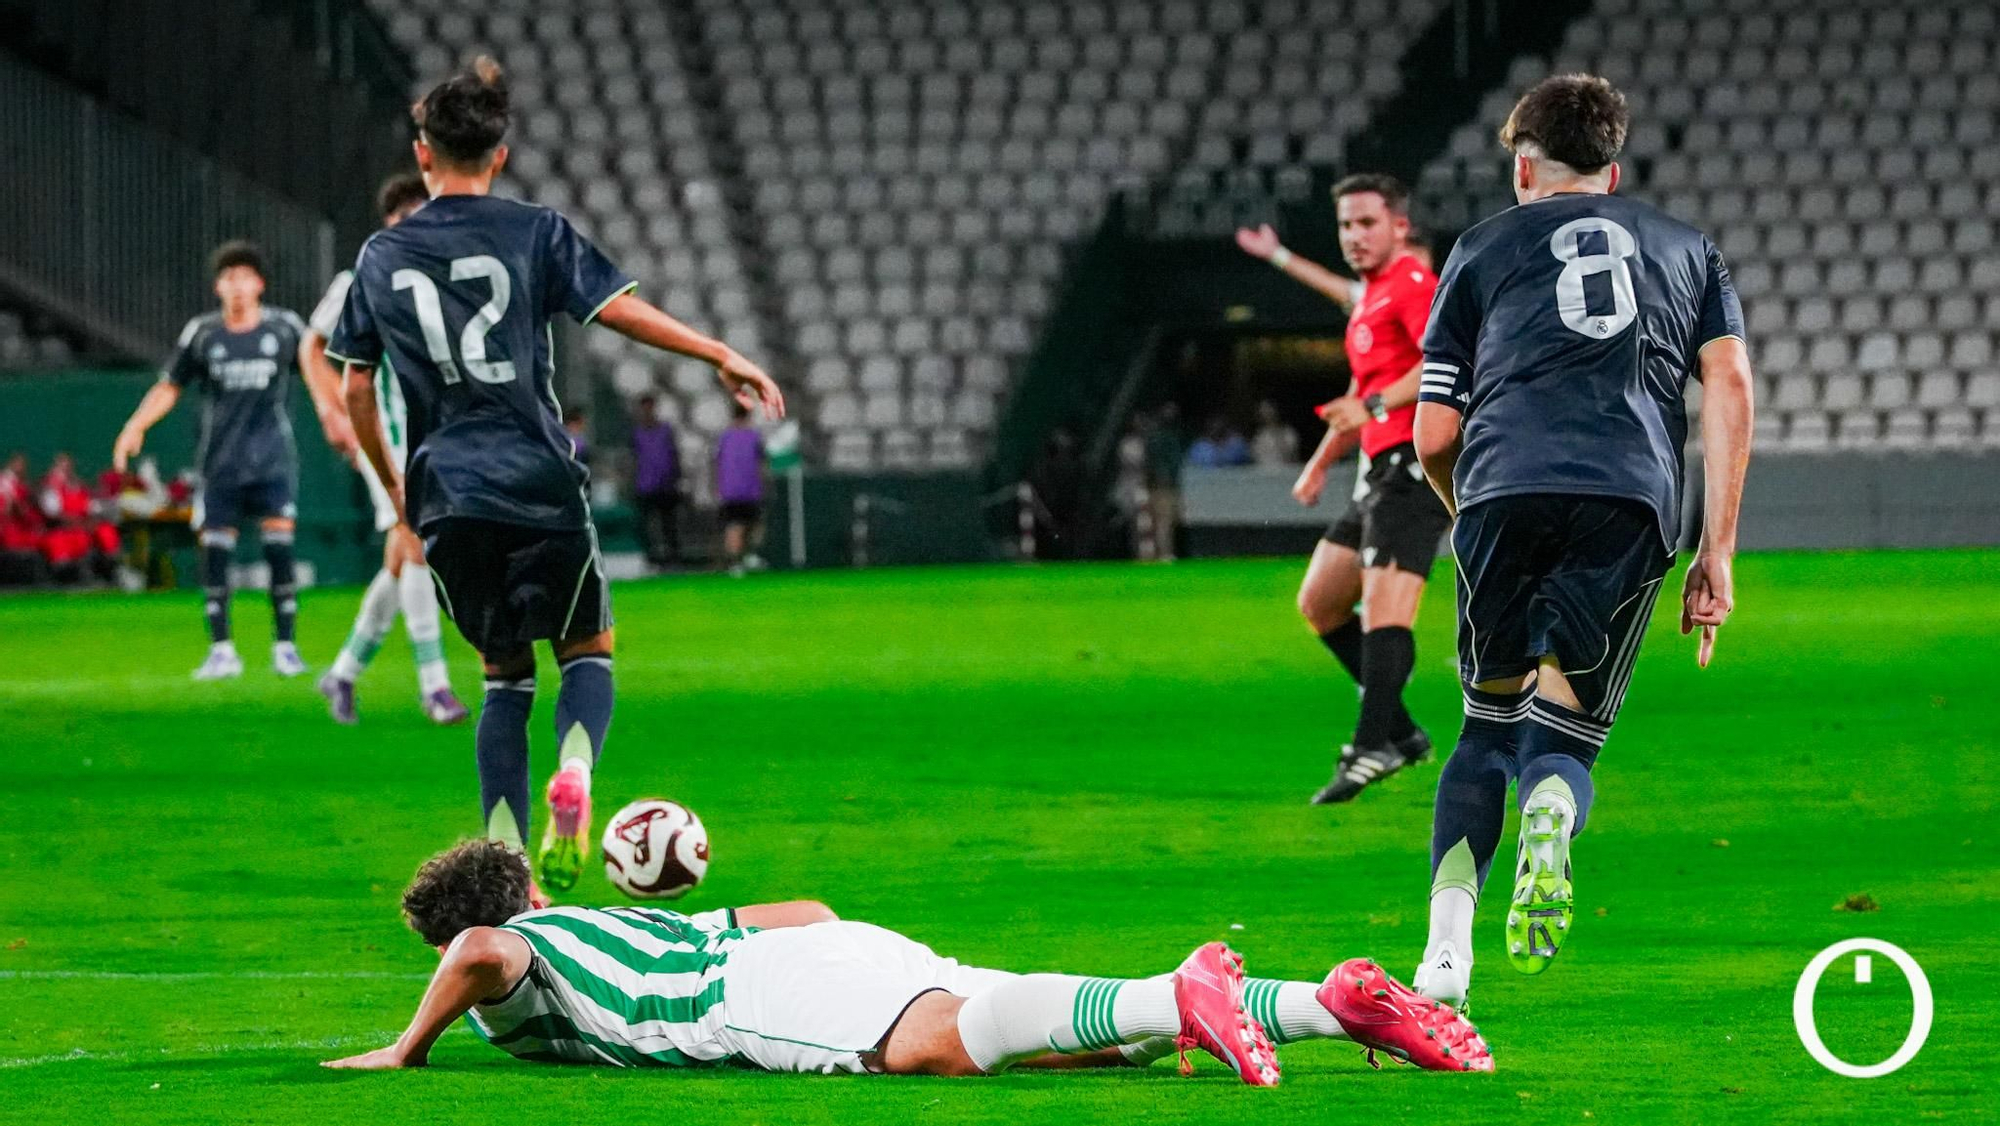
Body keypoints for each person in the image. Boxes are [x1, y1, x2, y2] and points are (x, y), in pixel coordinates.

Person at [323, 57, 783, 894]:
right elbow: (617, 311)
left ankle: (508, 866)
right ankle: (575, 769)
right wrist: (718, 350)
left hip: (446, 491)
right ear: (499, 156)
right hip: (537, 476)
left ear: (423, 156)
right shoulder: (535, 230)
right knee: (587, 651)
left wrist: (397, 489)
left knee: (504, 676)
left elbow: (356, 384)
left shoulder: (381, 255)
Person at [1408, 74, 1752, 1010]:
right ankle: (1554, 801)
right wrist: (1715, 549)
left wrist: (1467, 506)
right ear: (1613, 168)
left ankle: (1444, 960)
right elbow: (1728, 387)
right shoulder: (1690, 251)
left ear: (1524, 166)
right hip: (1630, 497)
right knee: (1565, 734)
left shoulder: (1479, 249)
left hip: (1502, 486)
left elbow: (1432, 433)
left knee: (1485, 729)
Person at [323, 839, 1490, 1078]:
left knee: (927, 1049)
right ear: (535, 882)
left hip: (752, 997)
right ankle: (1329, 1006)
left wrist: (405, 1046)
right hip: (837, 945)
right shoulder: (606, 923)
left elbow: (480, 949)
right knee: (1051, 1038)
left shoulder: (510, 950)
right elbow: (812, 906)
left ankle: (1173, 988)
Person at [1235, 176, 1454, 805]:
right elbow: (1363, 403)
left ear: (1399, 227)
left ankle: (1370, 746)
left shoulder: (1414, 286)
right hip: (1380, 469)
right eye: (1345, 226)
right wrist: (1322, 460)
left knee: (1386, 611)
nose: (1354, 237)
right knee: (1320, 601)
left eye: (1366, 224)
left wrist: (1378, 404)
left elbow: (1447, 363)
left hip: (1415, 469)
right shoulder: (1374, 298)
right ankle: (1403, 733)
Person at [114, 240, 354, 680]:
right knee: (216, 558)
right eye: (228, 278)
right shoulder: (203, 333)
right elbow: (170, 384)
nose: (237, 286)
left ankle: (286, 647)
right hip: (219, 466)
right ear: (217, 287)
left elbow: (318, 369)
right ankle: (222, 650)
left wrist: (341, 414)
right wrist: (136, 424)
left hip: (273, 463)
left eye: (245, 277)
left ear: (259, 283)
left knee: (279, 552)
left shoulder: (284, 328)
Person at [303, 173, 469, 727]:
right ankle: (435, 687)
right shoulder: (363, 278)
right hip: (388, 443)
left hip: (433, 441)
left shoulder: (445, 283)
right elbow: (313, 345)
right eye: (402, 219)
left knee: (401, 560)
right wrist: (332, 411)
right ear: (387, 226)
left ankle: (344, 672)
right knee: (418, 545)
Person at [630, 394, 683, 568]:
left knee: (669, 524)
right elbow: (633, 459)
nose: (647, 411)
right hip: (645, 485)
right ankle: (650, 557)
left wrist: (677, 477)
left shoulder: (665, 430)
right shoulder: (636, 433)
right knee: (646, 525)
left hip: (666, 485)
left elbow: (674, 455)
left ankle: (672, 558)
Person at [715, 402, 766, 575]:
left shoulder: (724, 437)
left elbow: (717, 462)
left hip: (730, 491)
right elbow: (762, 463)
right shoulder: (754, 436)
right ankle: (749, 556)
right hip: (750, 489)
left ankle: (736, 563)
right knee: (753, 525)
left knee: (734, 526)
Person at [1143, 404, 1184, 561]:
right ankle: (1164, 554)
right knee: (1163, 522)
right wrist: (1161, 477)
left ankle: (1163, 552)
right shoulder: (1158, 437)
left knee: (1167, 521)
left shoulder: (1170, 436)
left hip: (1168, 484)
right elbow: (1153, 463)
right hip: (1162, 485)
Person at [1183, 416, 1250, 467]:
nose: (1217, 430)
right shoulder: (1200, 447)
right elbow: (1193, 465)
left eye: (1220, 428)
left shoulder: (1237, 443)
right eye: (1213, 428)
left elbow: (1244, 463)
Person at [1249, 401, 1300, 467]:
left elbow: (1291, 455)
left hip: (1286, 472)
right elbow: (1256, 457)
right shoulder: (1259, 436)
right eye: (1263, 411)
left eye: (1269, 410)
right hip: (1265, 474)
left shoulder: (1288, 433)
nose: (1267, 414)